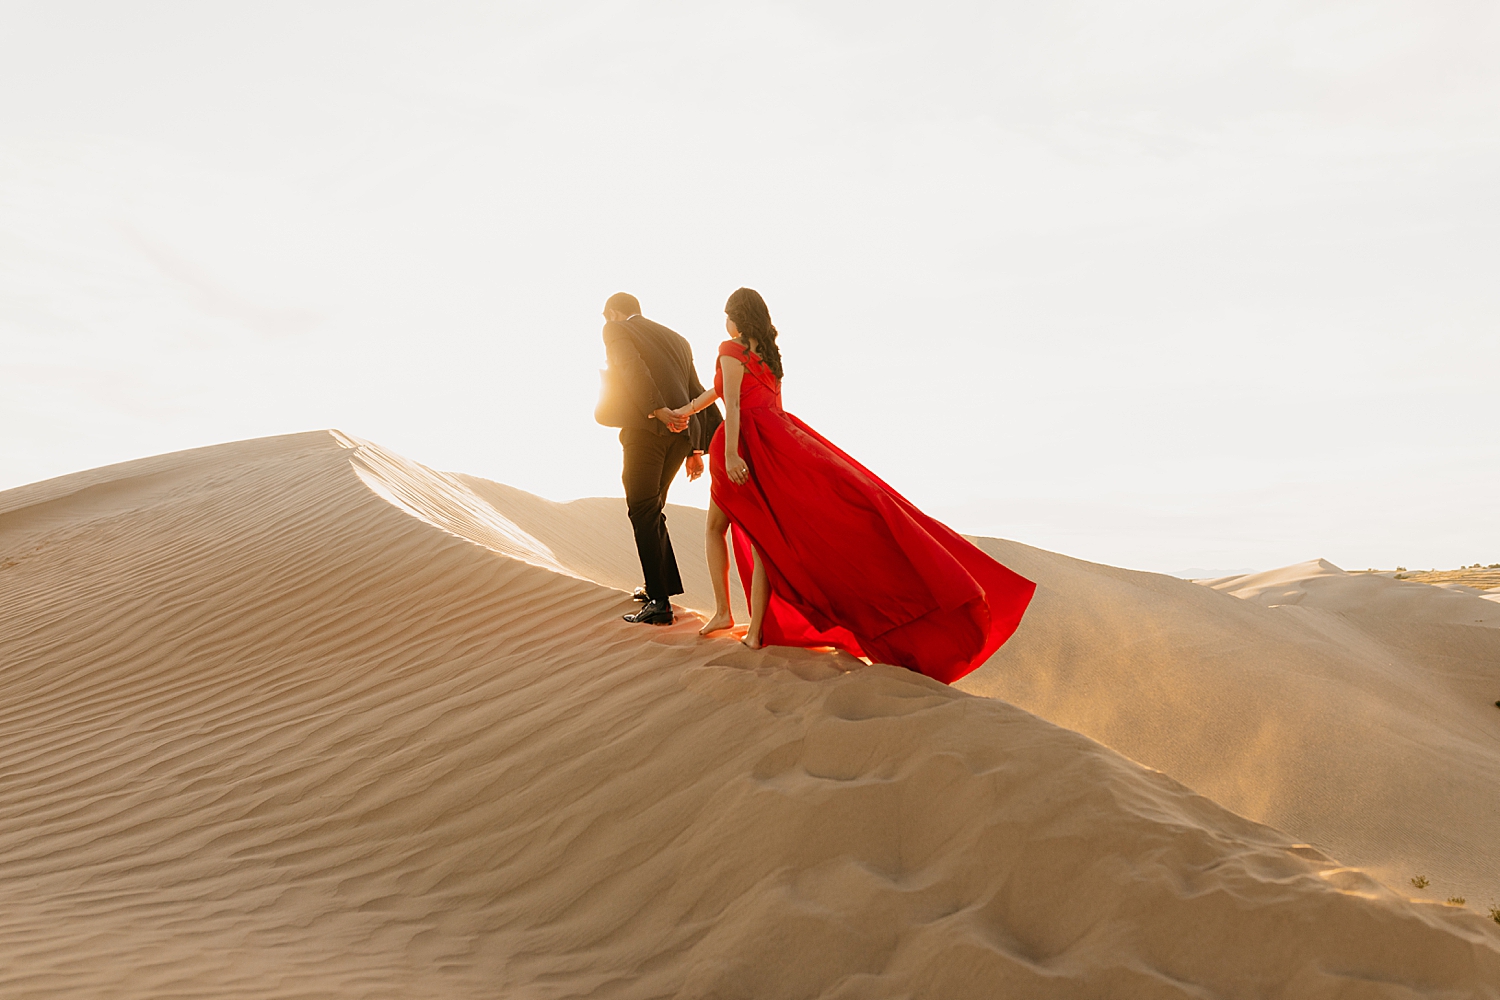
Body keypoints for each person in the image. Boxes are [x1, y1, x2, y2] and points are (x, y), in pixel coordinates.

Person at [669, 288, 1035, 685]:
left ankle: (724, 612)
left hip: (740, 445)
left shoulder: (729, 348)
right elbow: (729, 393)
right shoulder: (767, 358)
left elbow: (734, 406)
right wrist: (686, 411)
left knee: (715, 528)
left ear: (735, 316)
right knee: (764, 541)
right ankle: (755, 632)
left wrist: (736, 455)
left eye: (726, 315)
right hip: (778, 443)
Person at [598, 292, 722, 625]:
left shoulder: (616, 329)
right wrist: (697, 448)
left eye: (605, 317)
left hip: (648, 431)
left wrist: (657, 410)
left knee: (641, 509)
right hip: (681, 437)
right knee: (652, 509)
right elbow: (696, 389)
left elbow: (630, 366)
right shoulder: (677, 339)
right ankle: (658, 587)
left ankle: (659, 603)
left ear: (613, 313)